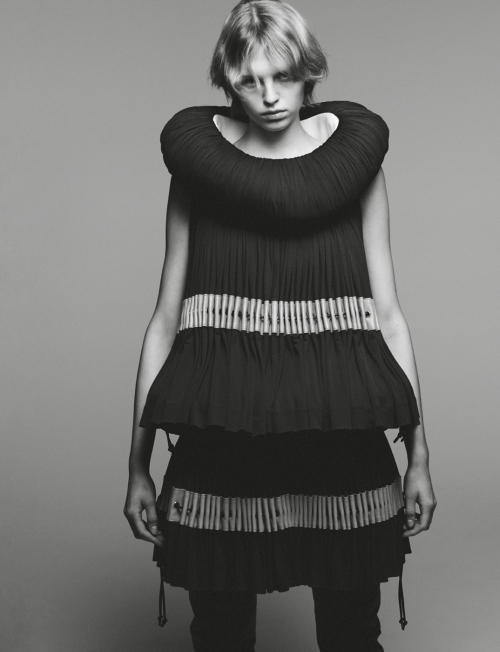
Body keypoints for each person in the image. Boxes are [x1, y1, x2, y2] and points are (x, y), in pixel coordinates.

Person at [123, 1, 437, 650]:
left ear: (308, 72)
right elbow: (164, 322)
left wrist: (420, 457)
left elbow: (388, 317)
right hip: (223, 438)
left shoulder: (359, 170)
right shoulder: (197, 176)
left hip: (341, 434)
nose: (269, 97)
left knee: (353, 633)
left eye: (284, 76)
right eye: (250, 81)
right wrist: (137, 467)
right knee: (219, 633)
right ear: (228, 83)